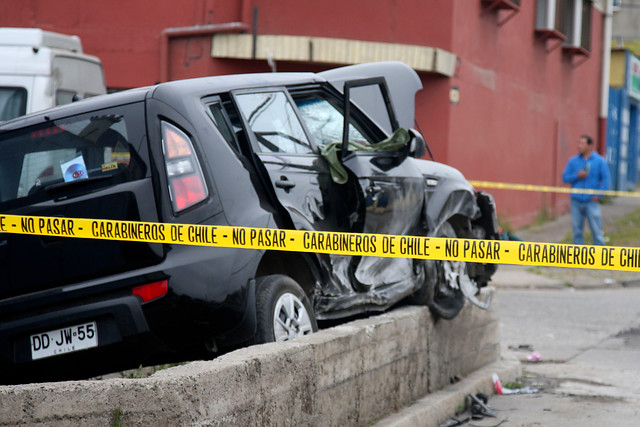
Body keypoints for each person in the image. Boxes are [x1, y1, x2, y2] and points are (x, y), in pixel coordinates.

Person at [562, 134, 610, 245]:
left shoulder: (599, 161)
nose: (579, 146)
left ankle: (600, 255)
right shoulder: (573, 161)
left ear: (590, 146)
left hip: (591, 201)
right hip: (576, 201)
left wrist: (599, 195)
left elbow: (606, 179)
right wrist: (577, 176)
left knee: (596, 230)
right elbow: (565, 177)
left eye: (582, 144)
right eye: (579, 143)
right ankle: (577, 257)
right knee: (577, 231)